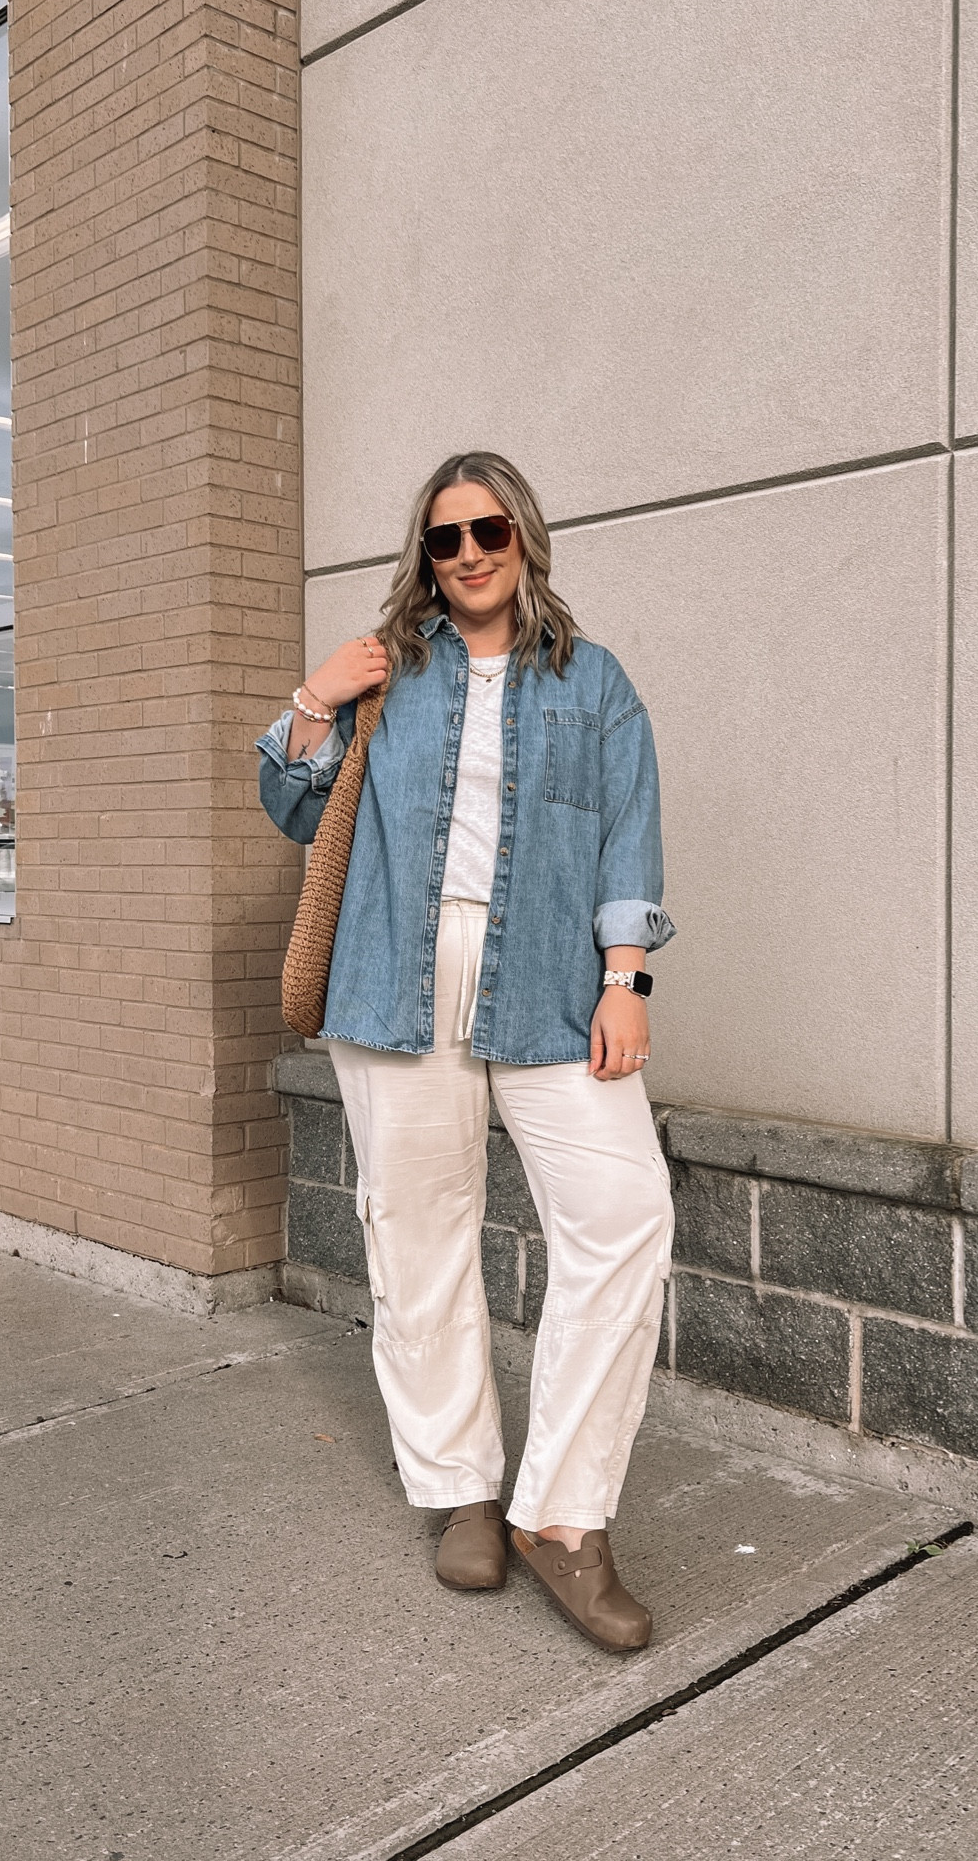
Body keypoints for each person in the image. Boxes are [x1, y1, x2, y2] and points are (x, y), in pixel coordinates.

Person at [256, 451, 675, 1653]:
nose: (471, 551)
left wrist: (625, 981)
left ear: (525, 536)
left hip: (550, 985)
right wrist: (313, 699)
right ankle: (461, 1489)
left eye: (489, 528)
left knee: (624, 1212)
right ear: (425, 556)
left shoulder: (593, 685)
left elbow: (629, 841)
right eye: (446, 537)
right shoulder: (394, 672)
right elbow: (290, 806)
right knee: (420, 1238)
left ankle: (562, 1511)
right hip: (392, 977)